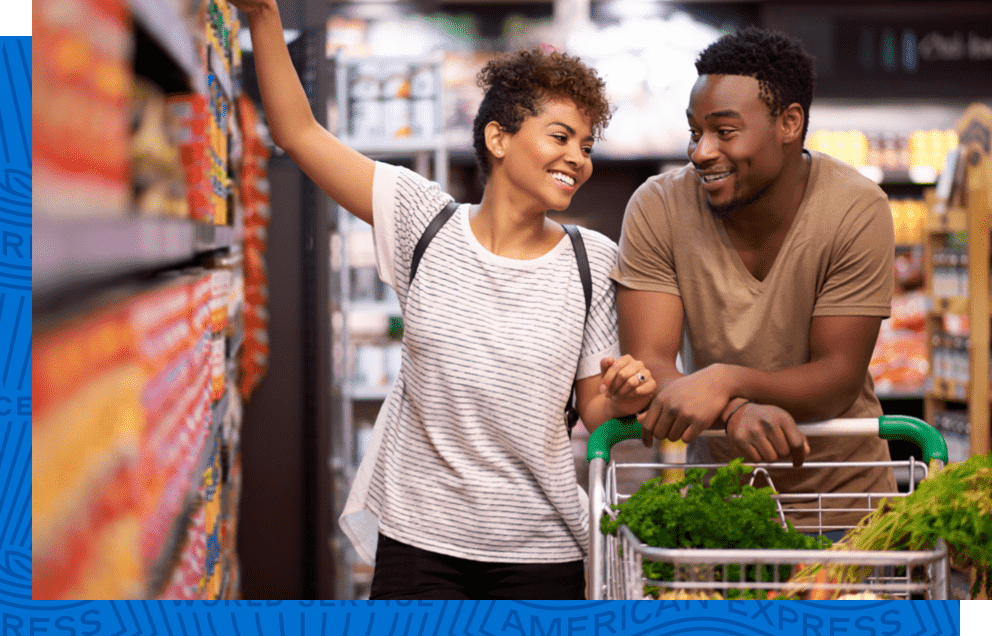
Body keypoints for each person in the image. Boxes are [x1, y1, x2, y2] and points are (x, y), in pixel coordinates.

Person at [232, 0, 657, 599]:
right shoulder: (423, 221)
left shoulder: (591, 261)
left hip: (541, 550)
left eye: (586, 145)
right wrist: (263, 17)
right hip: (420, 543)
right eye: (561, 137)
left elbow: (594, 413)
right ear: (498, 137)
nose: (578, 159)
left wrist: (624, 397)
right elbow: (300, 135)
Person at [611, 26, 897, 532]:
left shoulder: (855, 208)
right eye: (695, 132)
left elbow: (837, 376)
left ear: (789, 123)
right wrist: (737, 410)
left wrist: (727, 380)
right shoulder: (658, 207)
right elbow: (650, 363)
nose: (701, 151)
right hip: (723, 510)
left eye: (724, 131)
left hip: (847, 509)